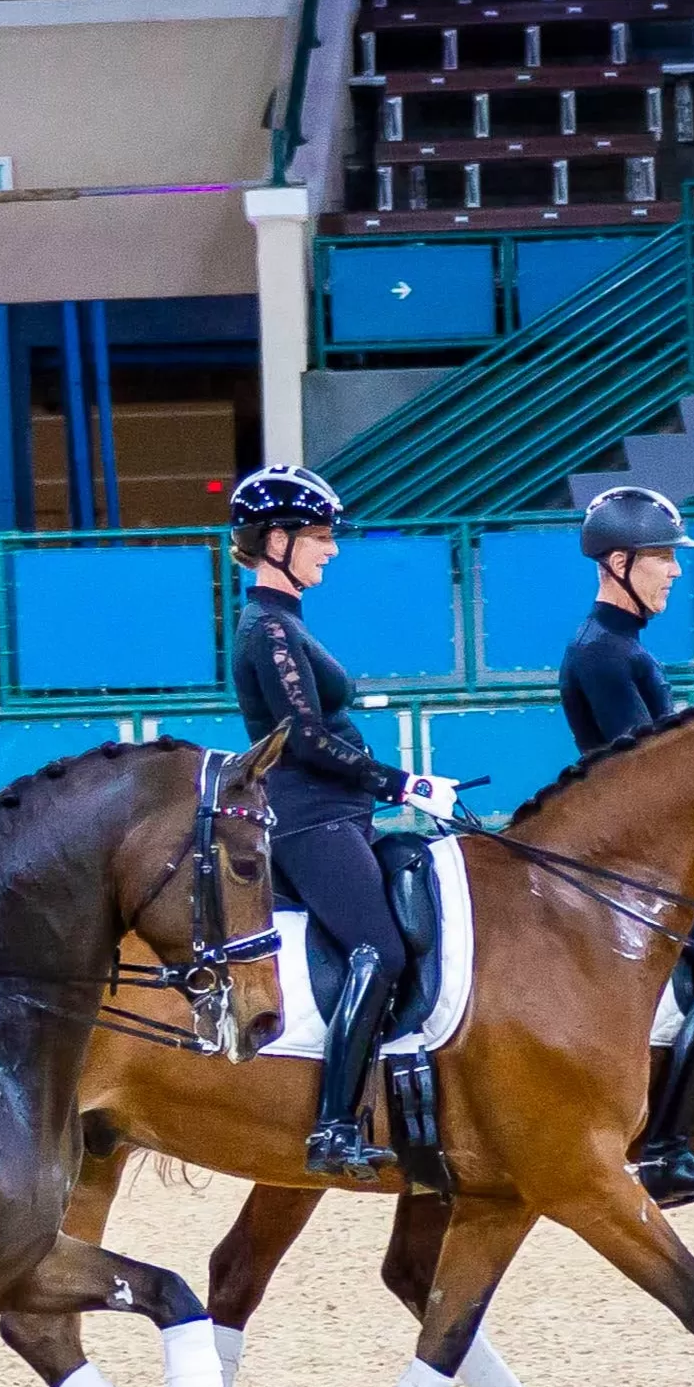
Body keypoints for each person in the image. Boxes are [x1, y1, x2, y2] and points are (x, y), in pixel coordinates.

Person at [228, 466, 460, 1180]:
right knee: (379, 950)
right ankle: (332, 1123)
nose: (330, 550)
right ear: (276, 540)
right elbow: (302, 737)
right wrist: (404, 781)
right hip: (308, 821)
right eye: (320, 536)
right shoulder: (267, 626)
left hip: (339, 813)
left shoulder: (286, 620)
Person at [559, 486, 694, 1206]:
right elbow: (648, 779)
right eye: (661, 558)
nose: (674, 571)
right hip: (642, 859)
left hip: (662, 848)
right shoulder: (603, 654)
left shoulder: (626, 648)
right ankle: (673, 1147)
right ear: (618, 562)